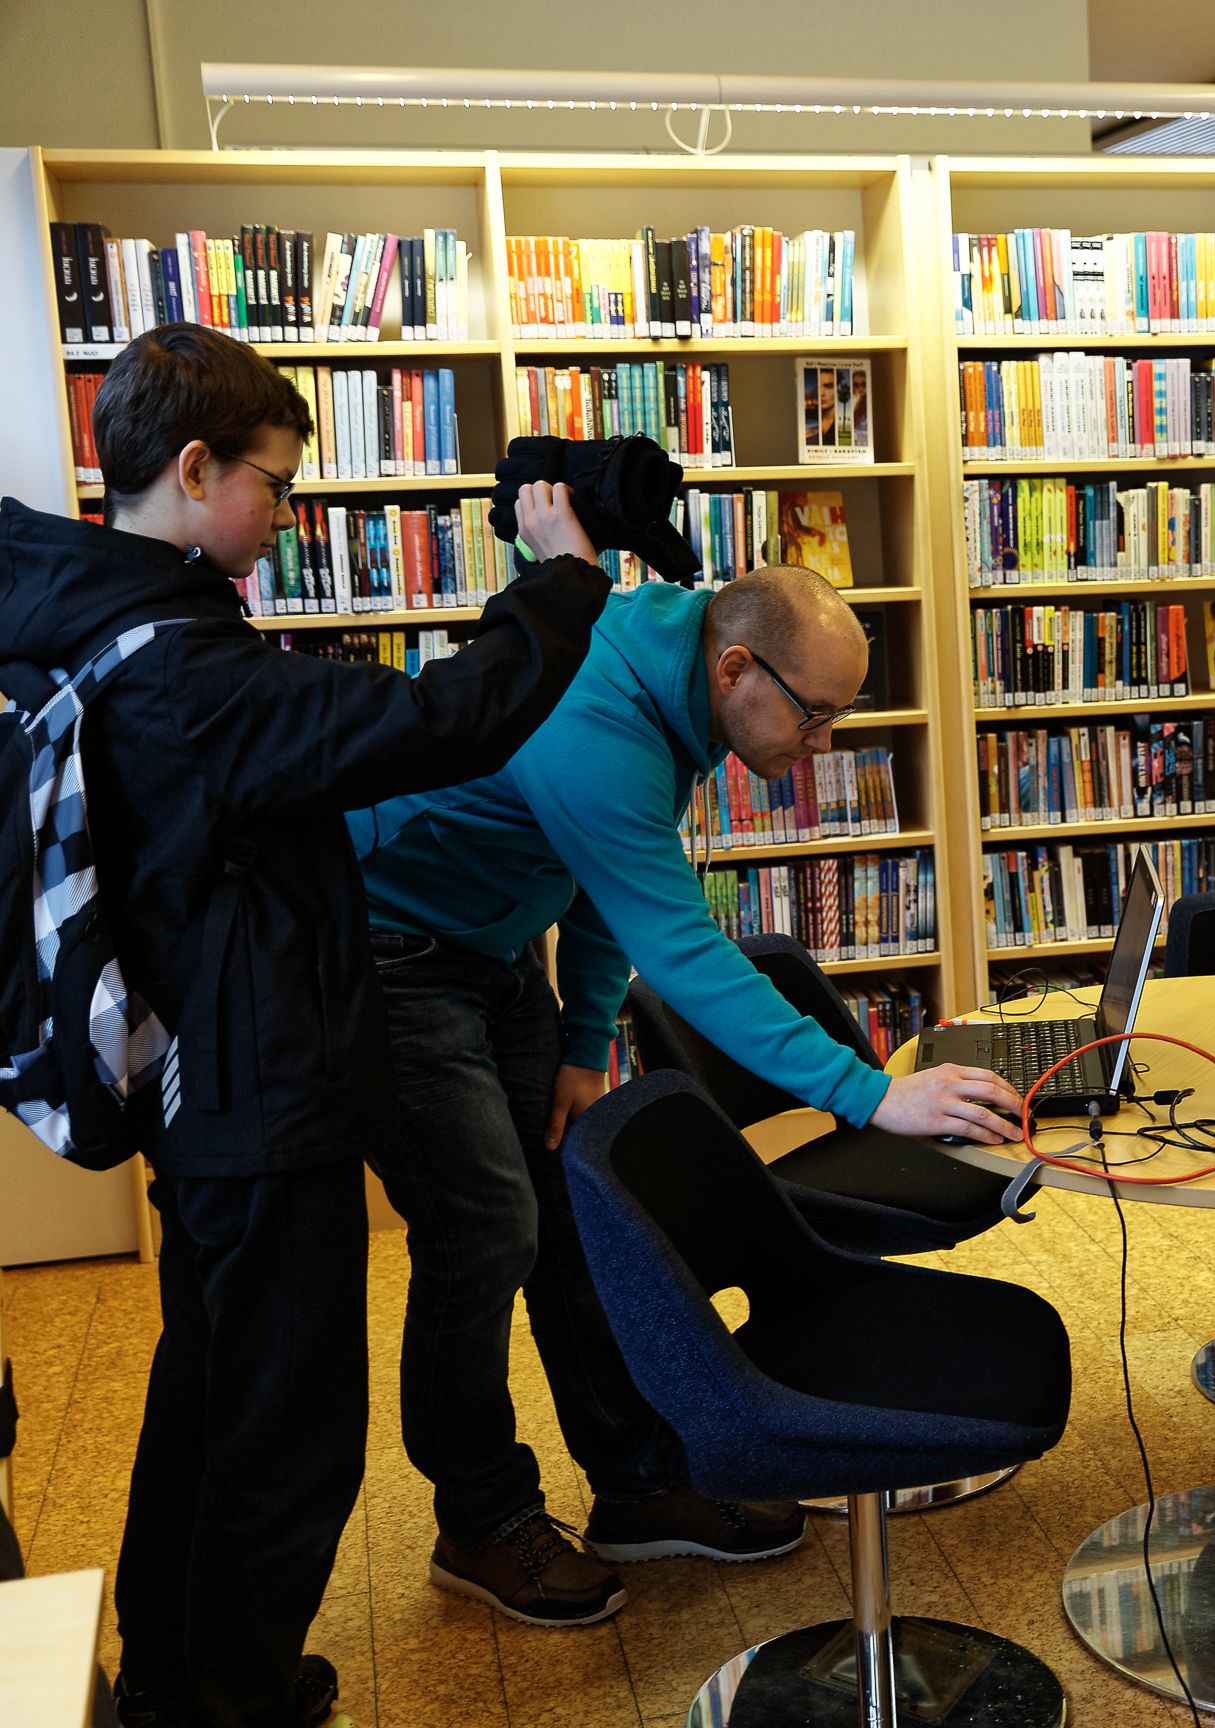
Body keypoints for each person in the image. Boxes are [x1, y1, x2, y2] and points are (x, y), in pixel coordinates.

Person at [0, 323, 611, 1728]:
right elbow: (437, 720)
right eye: (274, 485)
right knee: (286, 1429)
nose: (288, 515)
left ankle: (183, 1668)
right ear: (196, 466)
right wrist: (565, 575)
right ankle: (231, 1698)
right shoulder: (187, 673)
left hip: (200, 1083)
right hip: (258, 1094)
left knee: (210, 1394)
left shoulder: (84, 603)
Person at [345, 563, 1025, 1627]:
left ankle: (636, 1482)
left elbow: (618, 875)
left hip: (494, 943)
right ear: (738, 666)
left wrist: (580, 1039)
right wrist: (867, 1095)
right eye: (816, 715)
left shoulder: (681, 686)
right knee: (482, 1233)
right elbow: (679, 946)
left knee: (565, 1213)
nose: (825, 745)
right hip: (386, 951)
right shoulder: (601, 712)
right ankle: (480, 1520)